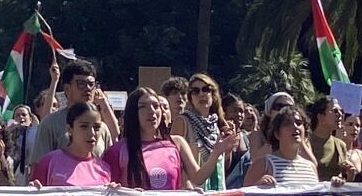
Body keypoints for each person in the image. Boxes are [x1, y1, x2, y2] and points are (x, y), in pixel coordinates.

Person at [105, 87, 236, 189]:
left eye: (156, 106)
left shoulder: (176, 143)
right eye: (143, 106)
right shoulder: (118, 151)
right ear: (133, 113)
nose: (152, 111)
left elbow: (198, 178)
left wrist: (216, 152)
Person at [27, 59, 119, 170]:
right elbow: (38, 168)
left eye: (91, 84)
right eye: (81, 84)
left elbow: (110, 167)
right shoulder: (50, 123)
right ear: (67, 88)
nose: (88, 88)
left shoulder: (101, 127)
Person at [246, 105, 339, 189]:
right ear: (277, 134)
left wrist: (334, 186)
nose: (295, 127)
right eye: (287, 124)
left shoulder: (310, 167)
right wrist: (258, 186)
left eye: (299, 123)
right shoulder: (263, 164)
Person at [29, 100, 113, 187]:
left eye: (96, 127)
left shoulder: (104, 169)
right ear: (69, 129)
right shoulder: (50, 162)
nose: (92, 133)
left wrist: (113, 193)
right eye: (84, 126)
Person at [308, 97, 348, 180]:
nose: (340, 114)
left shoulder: (341, 145)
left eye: (341, 111)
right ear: (321, 116)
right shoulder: (306, 142)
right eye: (335, 111)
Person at [337, 113, 362, 183]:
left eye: (357, 125)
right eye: (350, 124)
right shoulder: (333, 151)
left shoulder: (361, 155)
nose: (355, 128)